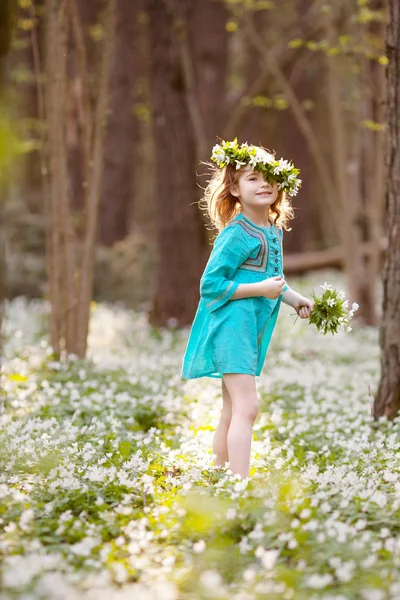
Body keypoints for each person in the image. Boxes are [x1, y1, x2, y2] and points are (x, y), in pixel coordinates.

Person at [181, 139, 314, 479]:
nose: (263, 183)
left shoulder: (272, 230)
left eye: (268, 177)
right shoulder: (236, 234)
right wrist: (260, 289)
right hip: (231, 326)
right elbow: (210, 286)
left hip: (248, 328)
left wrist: (294, 298)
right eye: (252, 178)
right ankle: (240, 486)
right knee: (248, 406)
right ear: (235, 190)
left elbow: (273, 280)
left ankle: (221, 476)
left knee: (231, 408)